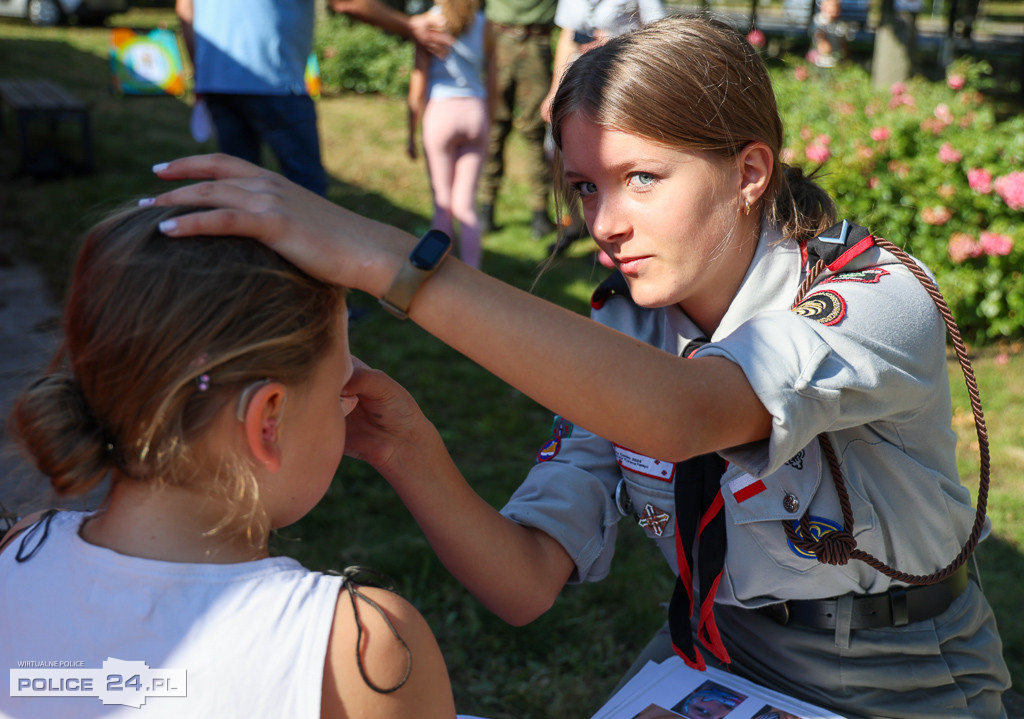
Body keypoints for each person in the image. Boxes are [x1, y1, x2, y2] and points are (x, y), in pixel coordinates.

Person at [147, 15, 1011, 718]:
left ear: (749, 171)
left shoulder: (873, 294)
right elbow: (523, 584)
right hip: (714, 655)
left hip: (900, 674)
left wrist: (390, 260)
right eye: (585, 187)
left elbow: (682, 413)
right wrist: (408, 445)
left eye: (642, 178)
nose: (605, 224)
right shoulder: (627, 333)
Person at [0, 204, 456, 718]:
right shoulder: (359, 648)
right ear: (268, 420)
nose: (351, 404)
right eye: (339, 390)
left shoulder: (18, 554)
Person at [176, 0, 453, 197]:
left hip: (218, 82)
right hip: (274, 82)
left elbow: (185, 8)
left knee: (234, 188)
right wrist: (409, 26)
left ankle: (244, 270)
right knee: (307, 194)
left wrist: (201, 70)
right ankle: (304, 278)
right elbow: (346, 2)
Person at [408, 0, 496, 270]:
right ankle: (474, 274)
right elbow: (493, 80)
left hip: (441, 112)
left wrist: (410, 131)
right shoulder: (484, 24)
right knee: (465, 203)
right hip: (474, 111)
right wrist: (488, 121)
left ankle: (437, 270)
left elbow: (419, 80)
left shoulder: (428, 22)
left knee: (443, 203)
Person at [478, 0, 558, 238]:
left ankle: (540, 212)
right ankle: (485, 206)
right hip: (498, 38)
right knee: (493, 128)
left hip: (536, 41)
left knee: (534, 131)